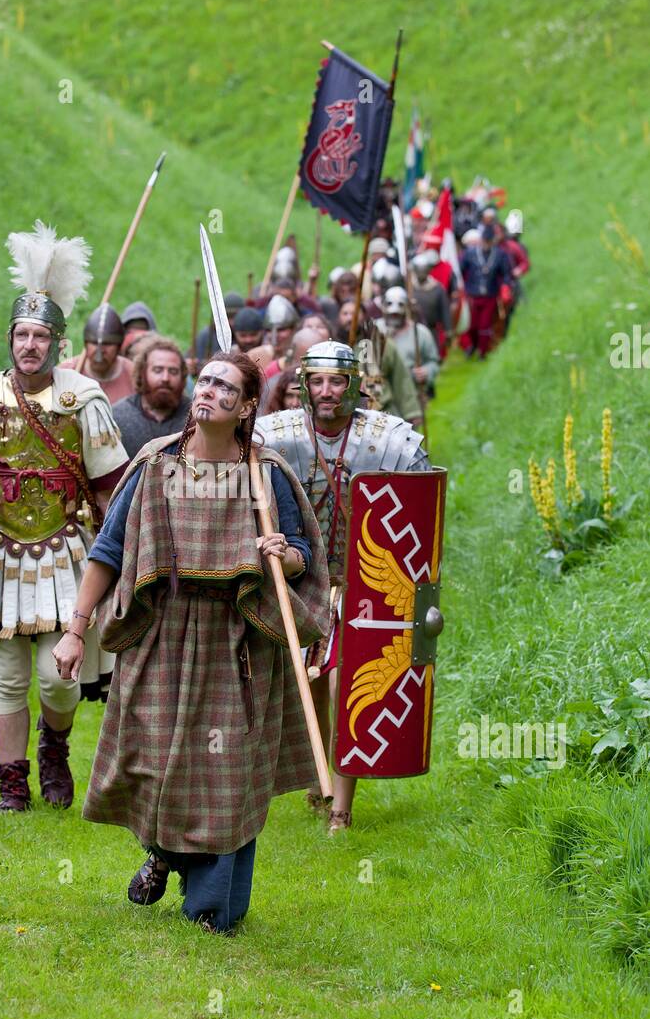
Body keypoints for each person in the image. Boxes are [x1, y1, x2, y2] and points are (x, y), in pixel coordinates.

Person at [53, 352, 330, 934]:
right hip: (162, 633)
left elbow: (305, 558)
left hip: (239, 643)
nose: (206, 391)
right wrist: (77, 629)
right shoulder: (154, 465)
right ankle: (167, 851)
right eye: (203, 380)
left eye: (223, 386)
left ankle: (212, 910)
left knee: (227, 775)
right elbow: (108, 551)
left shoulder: (266, 473)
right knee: (156, 760)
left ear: (247, 406)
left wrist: (287, 551)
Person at [0, 220, 128, 813]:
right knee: (8, 676)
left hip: (65, 549)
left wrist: (115, 555)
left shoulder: (81, 397)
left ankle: (55, 747)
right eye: (22, 334)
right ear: (10, 338)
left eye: (42, 335)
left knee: (57, 676)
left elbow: (110, 482)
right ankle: (12, 786)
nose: (30, 345)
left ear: (59, 343)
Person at [257, 341, 429, 833]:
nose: (326, 391)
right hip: (307, 578)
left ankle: (341, 808)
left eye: (336, 381)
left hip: (365, 585)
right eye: (317, 381)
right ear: (304, 384)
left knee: (346, 681)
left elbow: (417, 513)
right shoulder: (277, 435)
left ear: (354, 384)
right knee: (311, 683)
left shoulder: (389, 441)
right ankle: (319, 774)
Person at [111, 335, 192, 460]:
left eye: (173, 371)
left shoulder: (195, 419)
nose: (165, 378)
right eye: (158, 370)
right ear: (142, 374)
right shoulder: (117, 416)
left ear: (182, 377)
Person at [460, 223, 513, 358]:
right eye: (484, 241)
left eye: (489, 241)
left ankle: (483, 352)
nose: (486, 244)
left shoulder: (500, 255)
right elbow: (460, 270)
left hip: (490, 295)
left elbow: (506, 273)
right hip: (472, 294)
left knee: (484, 325)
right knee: (471, 325)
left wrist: (505, 287)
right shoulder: (470, 254)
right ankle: (471, 346)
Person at [63, 305, 135, 403]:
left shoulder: (133, 374)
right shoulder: (67, 372)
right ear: (86, 344)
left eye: (107, 344)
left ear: (119, 347)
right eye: (94, 343)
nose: (100, 350)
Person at [378, 286, 440, 398]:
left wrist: (426, 371)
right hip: (379, 393)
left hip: (410, 393)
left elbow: (433, 362)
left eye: (397, 314)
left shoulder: (421, 333)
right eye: (391, 314)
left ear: (406, 309)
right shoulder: (373, 330)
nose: (394, 316)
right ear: (383, 307)